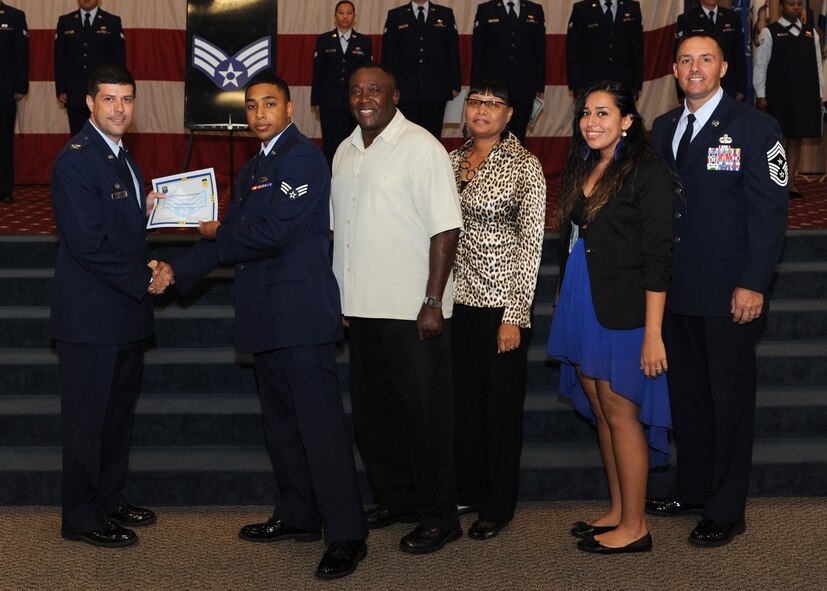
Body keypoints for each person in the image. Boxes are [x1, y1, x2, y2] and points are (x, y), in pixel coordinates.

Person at [169, 72, 367, 580]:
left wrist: (221, 230)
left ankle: (346, 533)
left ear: (291, 109)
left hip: (300, 314)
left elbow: (273, 232)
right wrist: (173, 274)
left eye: (269, 104)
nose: (259, 113)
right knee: (281, 425)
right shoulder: (259, 162)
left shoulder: (302, 157)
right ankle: (300, 513)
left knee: (319, 426)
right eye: (252, 105)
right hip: (264, 313)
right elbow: (224, 240)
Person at [648, 31, 789, 547]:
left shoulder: (755, 128)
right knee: (688, 400)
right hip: (676, 291)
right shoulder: (663, 128)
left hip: (730, 293)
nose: (695, 68)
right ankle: (695, 489)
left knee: (729, 404)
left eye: (705, 59)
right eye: (686, 60)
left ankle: (727, 509)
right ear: (675, 71)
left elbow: (770, 212)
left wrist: (753, 283)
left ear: (724, 68)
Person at [331, 63, 463, 554]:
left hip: (412, 312)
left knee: (425, 417)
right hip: (360, 309)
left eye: (375, 90)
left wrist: (432, 301)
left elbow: (445, 230)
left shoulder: (422, 148)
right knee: (374, 415)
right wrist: (340, 295)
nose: (364, 98)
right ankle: (398, 498)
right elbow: (340, 230)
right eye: (356, 91)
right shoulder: (344, 152)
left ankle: (439, 516)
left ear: (395, 95)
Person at [547, 81, 673, 555]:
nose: (591, 122)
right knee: (600, 405)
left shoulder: (648, 171)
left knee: (622, 413)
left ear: (627, 121)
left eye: (603, 113)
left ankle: (636, 527)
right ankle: (620, 510)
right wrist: (563, 292)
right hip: (583, 298)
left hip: (626, 307)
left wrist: (654, 334)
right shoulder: (587, 164)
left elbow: (659, 257)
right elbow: (575, 238)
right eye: (585, 113)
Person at [51, 64, 172, 548]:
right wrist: (146, 275)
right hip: (90, 318)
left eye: (126, 99)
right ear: (90, 103)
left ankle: (109, 496)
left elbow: (118, 227)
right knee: (88, 420)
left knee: (117, 415)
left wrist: (147, 214)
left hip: (122, 312)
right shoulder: (76, 159)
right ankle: (81, 516)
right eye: (109, 99)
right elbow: (89, 244)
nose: (120, 108)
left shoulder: (122, 156)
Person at [450, 80, 546, 540]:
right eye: (475, 101)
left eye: (494, 103)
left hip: (500, 305)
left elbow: (530, 246)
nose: (483, 110)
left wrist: (515, 314)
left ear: (510, 115)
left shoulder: (525, 166)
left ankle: (499, 503)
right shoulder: (450, 161)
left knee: (500, 410)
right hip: (456, 303)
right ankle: (470, 487)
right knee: (465, 405)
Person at [753, 0, 822, 199]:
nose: (796, 7)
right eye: (791, 4)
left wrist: (819, 93)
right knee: (776, 138)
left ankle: (790, 181)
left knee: (797, 136)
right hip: (778, 95)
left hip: (804, 94)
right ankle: (776, 181)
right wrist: (761, 94)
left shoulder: (811, 33)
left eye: (799, 4)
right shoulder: (769, 32)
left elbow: (817, 66)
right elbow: (761, 66)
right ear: (781, 7)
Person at [381, 1, 461, 139]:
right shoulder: (396, 15)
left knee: (432, 135)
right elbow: (387, 54)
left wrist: (455, 84)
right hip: (404, 87)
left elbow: (453, 51)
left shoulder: (445, 14)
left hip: (436, 87)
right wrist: (387, 86)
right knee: (406, 135)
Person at [471, 0, 546, 145]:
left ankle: (517, 167)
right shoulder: (486, 9)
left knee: (518, 135)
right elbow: (478, 51)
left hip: (524, 85)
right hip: (493, 88)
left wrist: (539, 85)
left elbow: (540, 50)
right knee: (492, 133)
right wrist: (476, 87)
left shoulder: (535, 10)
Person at [311, 0, 373, 168]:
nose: (345, 16)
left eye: (349, 13)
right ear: (335, 16)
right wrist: (315, 100)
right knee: (331, 144)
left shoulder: (364, 42)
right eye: (341, 12)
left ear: (354, 16)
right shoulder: (324, 40)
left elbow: (368, 75)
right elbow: (318, 72)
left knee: (355, 142)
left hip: (356, 102)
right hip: (329, 101)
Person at [55, 0, 126, 136]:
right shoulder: (65, 21)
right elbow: (60, 58)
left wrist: (117, 90)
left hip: (104, 93)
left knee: (104, 136)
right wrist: (61, 89)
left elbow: (119, 61)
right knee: (77, 137)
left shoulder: (112, 21)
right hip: (74, 92)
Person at [566, 0, 643, 100]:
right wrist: (577, 86)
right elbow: (573, 50)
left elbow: (637, 49)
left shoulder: (632, 7)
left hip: (623, 82)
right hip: (591, 82)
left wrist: (636, 86)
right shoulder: (582, 8)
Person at [675, 0, 747, 101]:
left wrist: (741, 89)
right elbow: (679, 56)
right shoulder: (687, 19)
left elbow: (739, 56)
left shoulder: (732, 17)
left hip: (728, 85)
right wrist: (681, 94)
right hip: (698, 85)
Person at [0, 1, 28, 204]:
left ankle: (3, 189)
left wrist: (20, 86)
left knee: (3, 141)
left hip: (4, 89)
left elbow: (22, 53)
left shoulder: (14, 16)